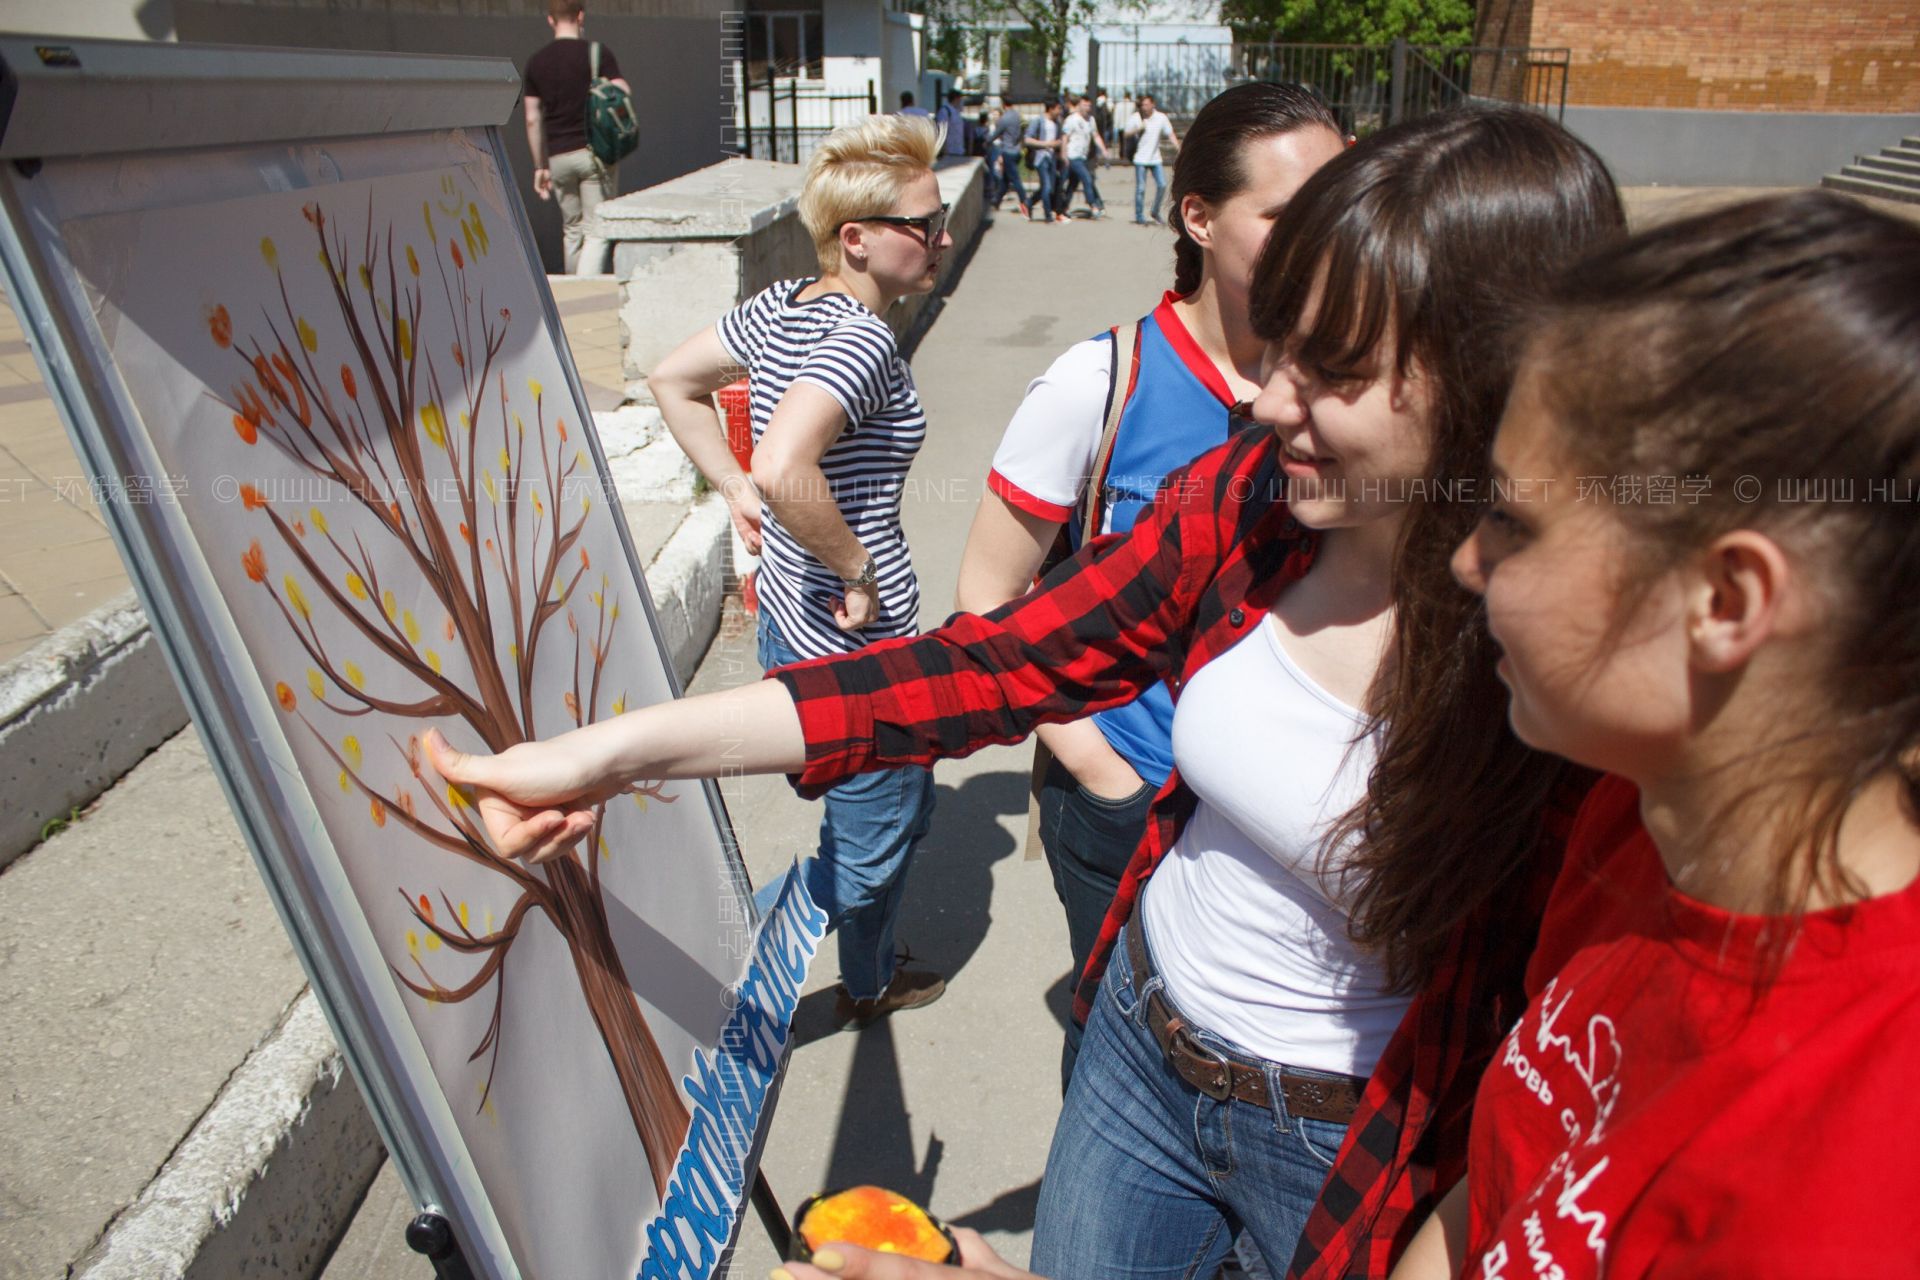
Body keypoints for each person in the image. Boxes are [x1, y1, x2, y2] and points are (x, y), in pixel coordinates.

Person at [425, 105, 1620, 1279]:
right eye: (1281, 344)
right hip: (1139, 1058)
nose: (1265, 399)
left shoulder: (1587, 680)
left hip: (1343, 1138)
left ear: (1492, 374)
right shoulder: (1251, 492)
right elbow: (987, 663)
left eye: (1336, 368)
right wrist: (605, 754)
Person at [1388, 192, 1920, 1278]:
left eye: (1512, 519)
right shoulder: (1639, 817)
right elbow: (1497, 1203)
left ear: (1725, 599)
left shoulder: (1853, 1181)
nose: (1465, 563)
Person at [955, 82, 1345, 1087]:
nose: (1327, 237)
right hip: (1128, 793)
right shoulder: (1101, 381)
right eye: (1287, 214)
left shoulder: (1359, 389)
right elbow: (987, 594)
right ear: (1201, 218)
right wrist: (1099, 770)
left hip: (1277, 813)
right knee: (1125, 1060)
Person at [643, 115, 954, 1027]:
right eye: (922, 226)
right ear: (855, 239)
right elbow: (788, 466)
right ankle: (863, 981)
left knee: (884, 800)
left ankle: (838, 912)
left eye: (941, 222)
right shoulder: (860, 340)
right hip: (854, 641)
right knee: (879, 828)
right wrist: (854, 565)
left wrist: (733, 485)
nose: (939, 240)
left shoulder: (782, 304)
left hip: (792, 617)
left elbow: (672, 378)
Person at [523, 0, 630, 274]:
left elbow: (532, 118)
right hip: (594, 154)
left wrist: (540, 166)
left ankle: (573, 297)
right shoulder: (598, 54)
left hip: (558, 158)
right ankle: (585, 289)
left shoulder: (536, 62)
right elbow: (623, 92)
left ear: (550, 19)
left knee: (572, 230)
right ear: (581, 15)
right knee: (596, 230)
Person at [1130, 93, 1178, 225]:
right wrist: (1138, 128)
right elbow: (1126, 133)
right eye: (1142, 105)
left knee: (1162, 185)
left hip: (1155, 158)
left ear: (1153, 104)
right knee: (1141, 188)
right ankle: (1139, 215)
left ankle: (1155, 211)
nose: (1144, 107)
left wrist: (1178, 148)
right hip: (1140, 158)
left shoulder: (1161, 118)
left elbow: (1170, 133)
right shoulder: (1136, 118)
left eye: (1146, 104)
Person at [1058, 95, 1109, 218]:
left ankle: (1063, 208)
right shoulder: (1072, 119)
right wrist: (1063, 154)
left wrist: (1103, 149)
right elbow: (1065, 137)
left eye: (1089, 105)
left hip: (1082, 156)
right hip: (1072, 155)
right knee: (1087, 178)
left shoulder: (1091, 120)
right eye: (1085, 105)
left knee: (1072, 184)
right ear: (1079, 105)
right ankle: (1094, 205)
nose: (1087, 108)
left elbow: (1095, 136)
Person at [984, 102, 1031, 217]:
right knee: (1005, 179)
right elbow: (1023, 129)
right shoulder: (1018, 116)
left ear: (1004, 105)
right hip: (1017, 150)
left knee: (1015, 178)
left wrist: (986, 141)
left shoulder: (1004, 119)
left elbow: (995, 134)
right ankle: (996, 200)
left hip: (1007, 151)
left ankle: (1025, 201)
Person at [1024, 99, 1066, 224]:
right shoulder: (1038, 121)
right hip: (1040, 158)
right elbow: (1027, 140)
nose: (1060, 111)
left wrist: (1058, 146)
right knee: (1047, 187)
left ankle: (1028, 203)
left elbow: (1059, 139)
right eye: (1058, 109)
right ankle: (1048, 215)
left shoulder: (1057, 123)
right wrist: (1047, 144)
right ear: (1051, 108)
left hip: (1052, 158)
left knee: (1048, 188)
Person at [936, 89, 970, 159]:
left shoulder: (956, 112)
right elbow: (942, 131)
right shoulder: (945, 111)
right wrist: (944, 150)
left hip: (959, 150)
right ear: (956, 99)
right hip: (949, 152)